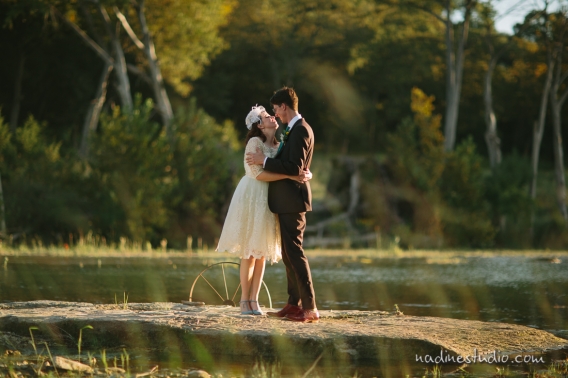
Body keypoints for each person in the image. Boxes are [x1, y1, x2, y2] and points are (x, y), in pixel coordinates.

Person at [216, 105, 311, 316]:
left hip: (269, 199)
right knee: (249, 252)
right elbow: (258, 174)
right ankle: (244, 301)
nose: (273, 117)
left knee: (261, 253)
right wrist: (289, 176)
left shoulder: (279, 144)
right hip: (252, 196)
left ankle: (254, 300)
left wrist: (303, 173)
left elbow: (289, 165)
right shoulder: (254, 142)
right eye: (268, 116)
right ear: (260, 124)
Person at [245, 87, 319, 322]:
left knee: (295, 254)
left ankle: (310, 309)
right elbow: (296, 165)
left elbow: (295, 168)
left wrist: (263, 160)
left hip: (293, 201)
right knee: (288, 254)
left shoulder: (300, 131)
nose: (275, 114)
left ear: (284, 106)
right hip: (286, 201)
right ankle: (293, 304)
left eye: (276, 109)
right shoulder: (293, 130)